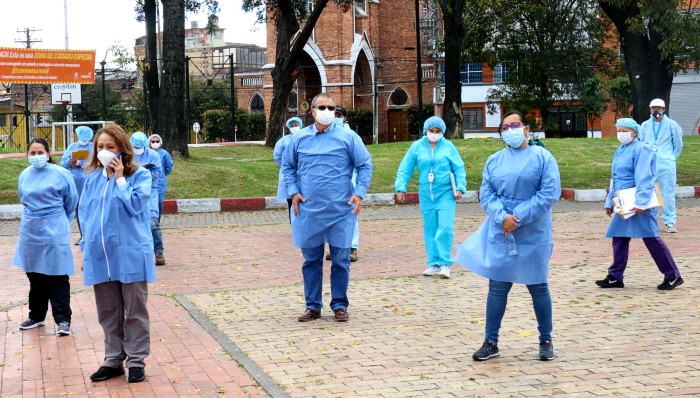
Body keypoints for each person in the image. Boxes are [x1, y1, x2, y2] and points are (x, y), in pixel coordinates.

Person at [455, 110, 561, 362]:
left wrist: (519, 217)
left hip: (533, 230)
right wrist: (502, 216)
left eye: (515, 125)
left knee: (538, 286)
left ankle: (545, 339)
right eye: (504, 127)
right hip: (501, 229)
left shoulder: (543, 157)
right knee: (497, 287)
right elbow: (487, 193)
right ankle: (490, 341)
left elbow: (549, 193)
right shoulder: (494, 161)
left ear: (526, 129)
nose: (510, 130)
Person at [281, 93, 373, 323]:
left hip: (340, 210)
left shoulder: (348, 137)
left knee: (341, 260)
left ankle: (340, 305)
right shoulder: (299, 139)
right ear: (312, 111)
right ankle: (313, 306)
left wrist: (359, 193)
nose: (327, 111)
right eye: (322, 107)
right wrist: (293, 191)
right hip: (309, 210)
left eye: (331, 108)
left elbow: (365, 164)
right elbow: (288, 166)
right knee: (311, 261)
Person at [79, 124, 156, 383]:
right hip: (101, 255)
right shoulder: (91, 182)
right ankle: (113, 359)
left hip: (131, 252)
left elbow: (136, 206)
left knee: (134, 310)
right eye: (100, 147)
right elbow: (86, 218)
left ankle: (136, 361)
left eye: (110, 147)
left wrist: (121, 179)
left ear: (122, 149)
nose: (104, 152)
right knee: (108, 311)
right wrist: (85, 250)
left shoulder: (140, 176)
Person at [595, 118, 684, 290]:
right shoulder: (620, 150)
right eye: (618, 130)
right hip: (624, 201)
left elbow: (644, 177)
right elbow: (616, 178)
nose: (621, 134)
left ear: (635, 132)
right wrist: (610, 201)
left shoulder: (642, 149)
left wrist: (641, 203)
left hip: (638, 203)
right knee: (619, 237)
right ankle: (615, 276)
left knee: (651, 239)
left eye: (624, 130)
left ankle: (673, 275)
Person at [13, 138, 78, 336]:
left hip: (54, 228)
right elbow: (22, 197)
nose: (36, 156)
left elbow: (71, 200)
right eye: (32, 153)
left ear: (48, 154)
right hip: (30, 231)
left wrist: (59, 221)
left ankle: (63, 319)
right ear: (27, 155)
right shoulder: (24, 175)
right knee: (35, 275)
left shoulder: (61, 174)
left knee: (57, 275)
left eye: (40, 152)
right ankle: (36, 316)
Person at [395, 116, 467, 279]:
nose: (434, 134)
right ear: (425, 131)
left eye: (437, 131)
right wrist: (401, 187)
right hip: (426, 194)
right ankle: (433, 263)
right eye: (431, 131)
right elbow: (405, 168)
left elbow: (459, 168)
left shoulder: (449, 147)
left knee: (445, 228)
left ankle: (445, 263)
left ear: (442, 132)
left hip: (446, 194)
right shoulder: (416, 147)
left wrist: (460, 187)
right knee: (430, 228)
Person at [638, 99, 683, 233]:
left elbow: (678, 144)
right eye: (653, 108)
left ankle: (670, 221)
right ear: (650, 109)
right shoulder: (645, 126)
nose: (655, 111)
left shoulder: (672, 125)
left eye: (658, 108)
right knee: (647, 192)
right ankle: (649, 222)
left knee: (668, 193)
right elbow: (641, 143)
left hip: (666, 164)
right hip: (649, 164)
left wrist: (670, 158)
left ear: (664, 109)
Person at [325, 105, 361, 262]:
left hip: (348, 184)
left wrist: (358, 187)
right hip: (330, 184)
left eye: (339, 114)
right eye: (335, 114)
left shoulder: (351, 136)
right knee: (331, 216)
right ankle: (335, 248)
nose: (337, 117)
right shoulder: (326, 135)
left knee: (350, 215)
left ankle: (352, 248)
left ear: (345, 118)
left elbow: (362, 163)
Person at [131, 131, 165, 266]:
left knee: (152, 221)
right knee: (133, 223)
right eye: (135, 148)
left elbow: (157, 173)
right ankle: (136, 253)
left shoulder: (153, 155)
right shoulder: (126, 154)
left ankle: (158, 251)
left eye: (139, 148)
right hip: (132, 191)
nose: (137, 150)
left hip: (150, 191)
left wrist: (140, 170)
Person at [60, 125, 94, 244]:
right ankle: (83, 234)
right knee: (79, 209)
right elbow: (63, 164)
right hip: (75, 182)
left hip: (90, 181)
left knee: (90, 208)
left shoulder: (93, 147)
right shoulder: (72, 147)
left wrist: (79, 162)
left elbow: (94, 163)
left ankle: (91, 234)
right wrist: (71, 162)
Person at [274, 117, 302, 223]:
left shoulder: (305, 138)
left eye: (296, 125)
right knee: (291, 200)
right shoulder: (284, 141)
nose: (294, 127)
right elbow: (277, 156)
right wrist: (286, 166)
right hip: (289, 174)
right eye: (292, 126)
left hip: (303, 173)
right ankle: (294, 224)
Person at [148, 134, 174, 220]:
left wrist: (161, 175)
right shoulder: (147, 153)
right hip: (148, 181)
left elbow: (168, 167)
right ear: (149, 142)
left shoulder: (164, 154)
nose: (155, 143)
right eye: (153, 141)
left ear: (160, 142)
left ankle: (157, 219)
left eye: (157, 141)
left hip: (161, 183)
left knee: (159, 201)